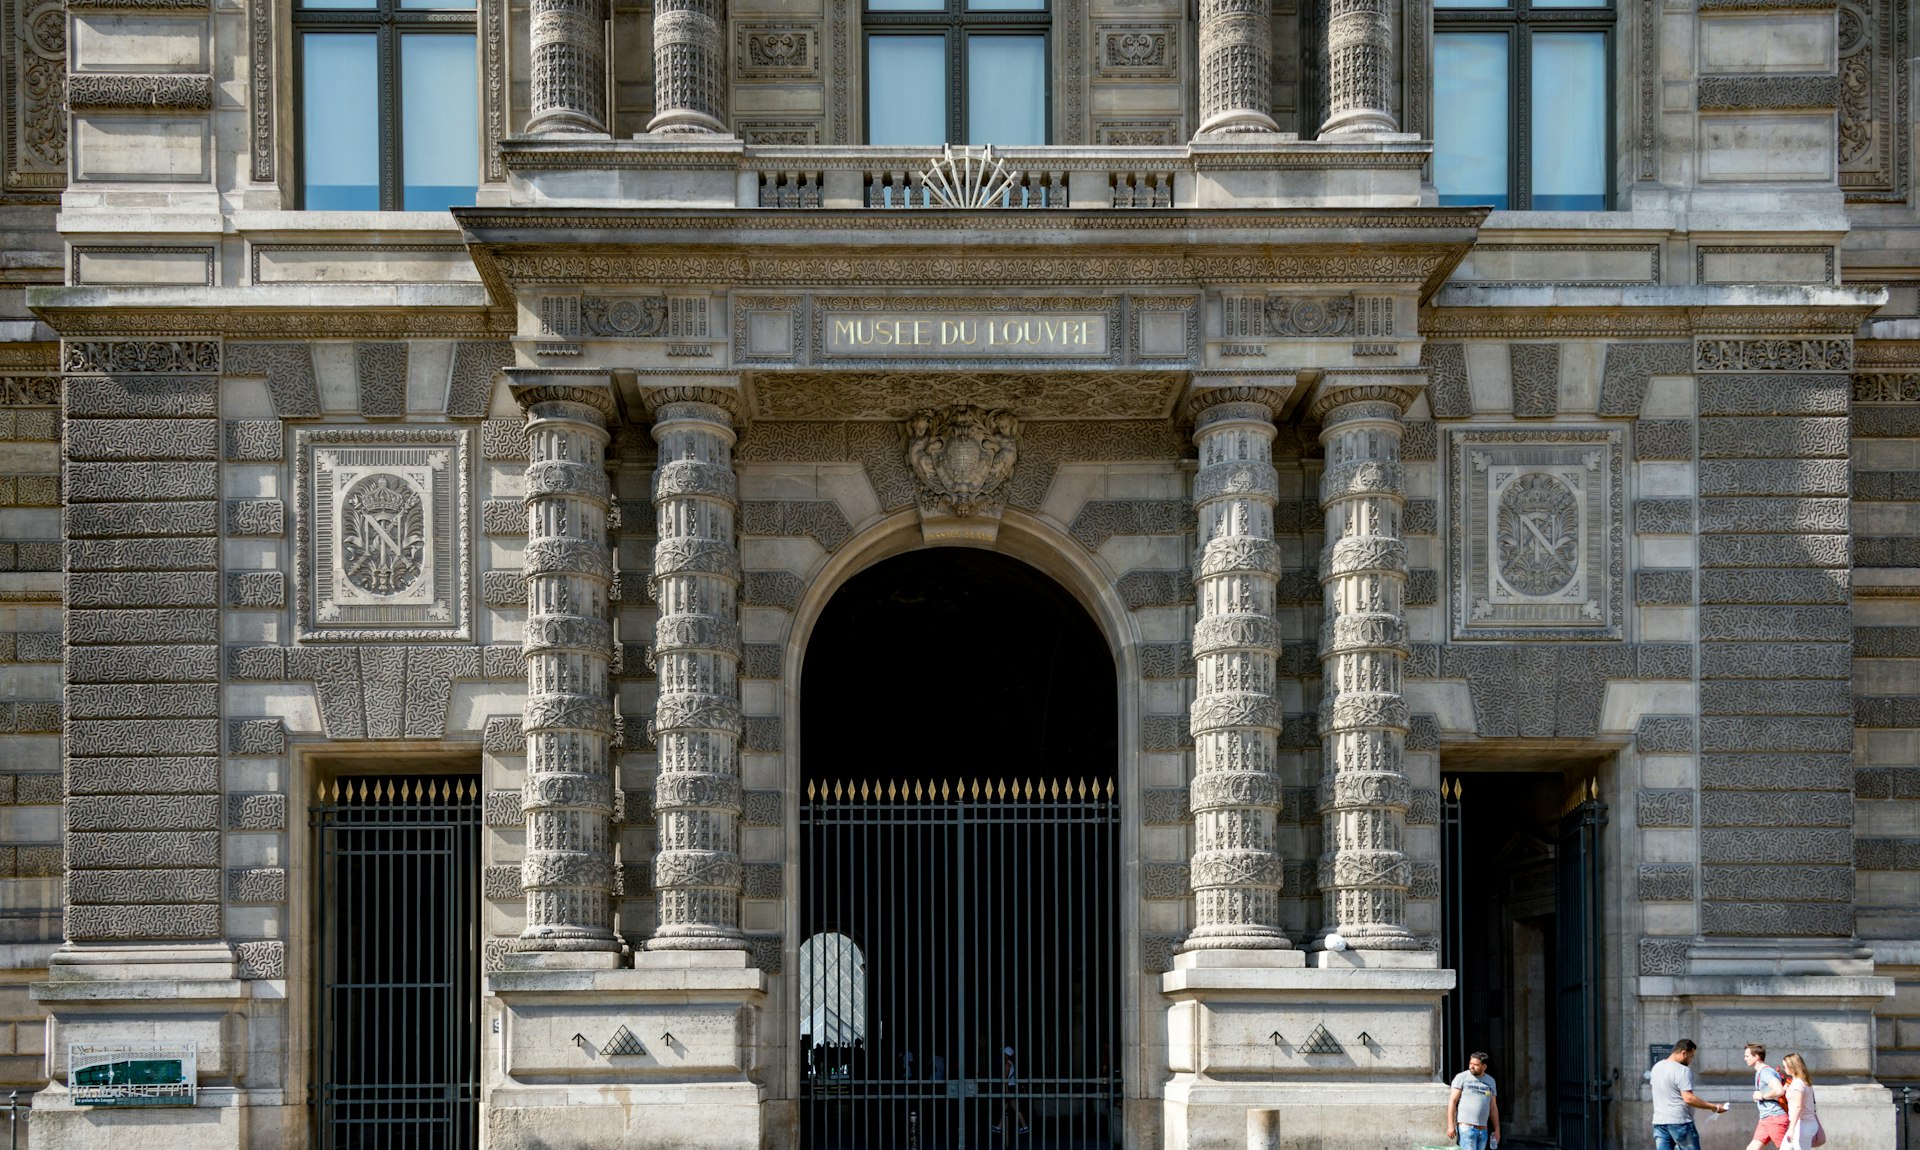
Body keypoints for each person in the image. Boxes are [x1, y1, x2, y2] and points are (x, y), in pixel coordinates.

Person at [1651, 1039, 1730, 1150]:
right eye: (1691, 1056)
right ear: (1684, 1053)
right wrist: (1715, 1107)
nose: (1691, 1060)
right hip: (1680, 1122)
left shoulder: (1656, 1067)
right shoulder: (1682, 1070)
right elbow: (1689, 1098)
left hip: (1659, 1122)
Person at [1447, 1051, 1502, 1150]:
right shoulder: (1461, 1077)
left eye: (1476, 1065)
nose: (1471, 1067)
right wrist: (1451, 1125)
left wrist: (1497, 1129)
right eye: (1470, 1063)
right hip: (1466, 1128)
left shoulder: (1491, 1081)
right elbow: (1452, 1101)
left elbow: (1493, 1107)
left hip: (1483, 1129)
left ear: (1484, 1067)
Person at [1743, 1042, 1789, 1150]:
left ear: (1757, 1057)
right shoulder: (1760, 1072)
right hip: (1765, 1118)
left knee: (1786, 1148)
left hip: (1774, 1117)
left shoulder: (1765, 1072)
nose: (1745, 1059)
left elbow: (1779, 1090)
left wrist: (1762, 1096)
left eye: (1747, 1056)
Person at [1779, 1053, 1822, 1150]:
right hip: (1802, 1124)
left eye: (1784, 1066)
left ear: (1792, 1066)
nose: (1783, 1068)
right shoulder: (1801, 1082)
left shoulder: (1798, 1084)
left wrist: (1791, 1128)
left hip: (1802, 1125)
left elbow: (1798, 1107)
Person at [989, 1045, 1030, 1141]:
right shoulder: (1011, 1063)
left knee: (1016, 1109)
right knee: (1005, 1107)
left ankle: (1025, 1127)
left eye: (1003, 1054)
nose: (1002, 1055)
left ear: (1006, 1055)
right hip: (1012, 1088)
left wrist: (1006, 1090)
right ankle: (999, 1127)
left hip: (1010, 1088)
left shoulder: (1007, 1064)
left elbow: (1005, 1079)